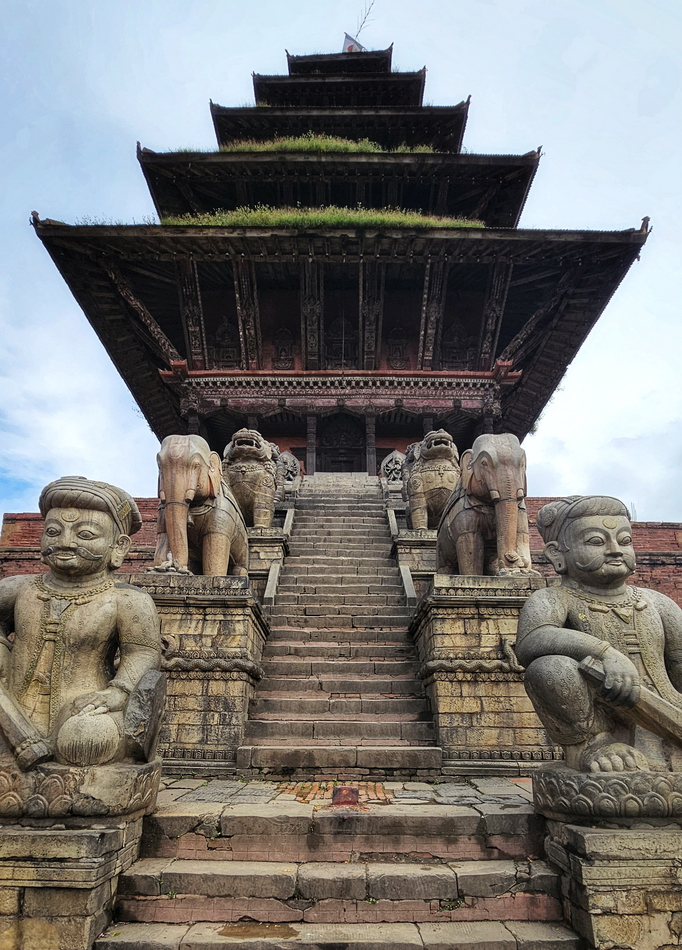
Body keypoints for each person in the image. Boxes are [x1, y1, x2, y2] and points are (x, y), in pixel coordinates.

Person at [0, 476, 162, 769]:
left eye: (85, 534)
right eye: (53, 531)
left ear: (119, 547)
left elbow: (142, 653)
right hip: (12, 703)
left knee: (85, 740)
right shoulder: (16, 589)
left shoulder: (126, 600)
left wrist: (118, 692)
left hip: (84, 707)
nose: (65, 542)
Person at [516, 495, 682, 773]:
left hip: (664, 706)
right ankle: (593, 745)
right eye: (596, 541)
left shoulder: (656, 602)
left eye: (625, 541)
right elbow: (532, 639)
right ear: (557, 554)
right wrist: (604, 653)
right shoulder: (553, 598)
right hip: (601, 709)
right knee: (549, 668)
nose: (615, 550)